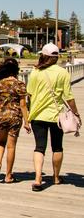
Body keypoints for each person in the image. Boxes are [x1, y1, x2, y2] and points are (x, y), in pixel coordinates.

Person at [27, 43, 80, 192]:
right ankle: (56, 177)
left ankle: (38, 178)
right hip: (57, 117)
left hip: (37, 115)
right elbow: (69, 98)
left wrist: (29, 113)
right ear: (57, 57)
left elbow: (29, 95)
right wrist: (76, 114)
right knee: (57, 147)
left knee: (39, 147)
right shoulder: (63, 73)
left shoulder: (35, 72)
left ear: (43, 55)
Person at [0, 58, 31, 183]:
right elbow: (23, 105)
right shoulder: (20, 84)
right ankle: (8, 175)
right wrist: (27, 122)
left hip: (0, 116)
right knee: (11, 147)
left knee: (1, 142)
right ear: (16, 70)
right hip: (14, 117)